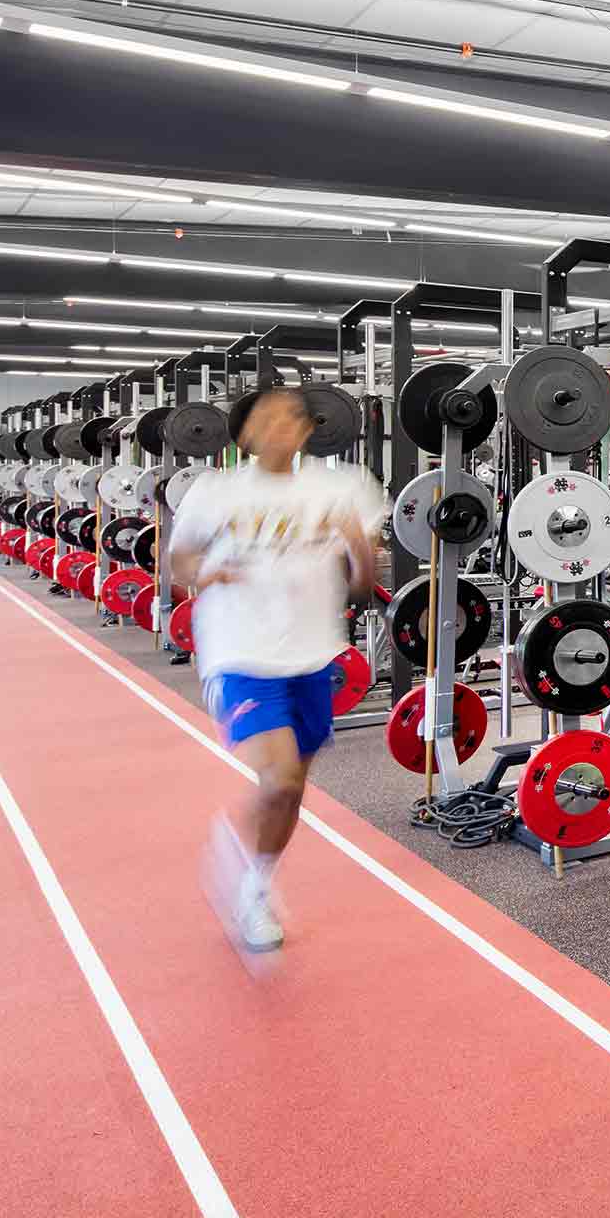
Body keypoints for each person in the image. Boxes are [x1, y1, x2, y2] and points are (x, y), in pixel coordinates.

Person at [167, 386, 387, 952]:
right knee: (281, 777)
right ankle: (253, 893)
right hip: (240, 655)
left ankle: (253, 874)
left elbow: (364, 577)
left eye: (294, 417)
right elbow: (178, 560)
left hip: (314, 656)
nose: (285, 426)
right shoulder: (215, 492)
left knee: (290, 793)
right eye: (270, 418)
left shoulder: (343, 486)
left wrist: (357, 545)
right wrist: (203, 575)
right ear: (246, 434)